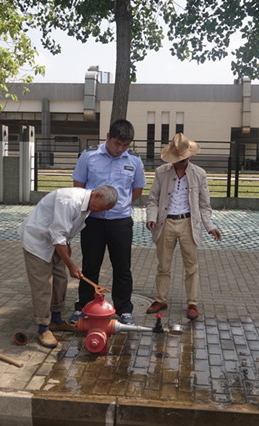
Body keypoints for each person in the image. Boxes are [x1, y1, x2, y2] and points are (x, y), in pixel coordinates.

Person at [17, 185, 118, 348]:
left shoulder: (87, 206)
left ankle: (56, 320)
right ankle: (43, 327)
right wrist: (71, 265)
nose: (101, 212)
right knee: (43, 284)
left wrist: (68, 248)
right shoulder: (69, 201)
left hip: (55, 242)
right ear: (98, 195)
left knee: (60, 280)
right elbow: (58, 234)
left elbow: (65, 232)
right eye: (102, 208)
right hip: (37, 241)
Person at [70, 119, 146, 325]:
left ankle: (124, 309)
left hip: (120, 222)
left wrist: (119, 205)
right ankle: (84, 306)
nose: (120, 149)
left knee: (122, 267)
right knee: (90, 266)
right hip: (92, 222)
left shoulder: (134, 161)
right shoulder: (89, 156)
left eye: (125, 145)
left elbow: (137, 190)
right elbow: (78, 186)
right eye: (117, 144)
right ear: (108, 137)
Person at [145, 133, 222, 320]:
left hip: (188, 223)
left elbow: (204, 205)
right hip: (166, 223)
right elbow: (153, 199)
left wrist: (210, 226)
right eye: (176, 160)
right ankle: (161, 299)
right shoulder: (161, 172)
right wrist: (151, 217)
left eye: (183, 159)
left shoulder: (199, 174)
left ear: (189, 156)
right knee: (163, 266)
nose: (179, 163)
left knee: (191, 267)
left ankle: (192, 303)